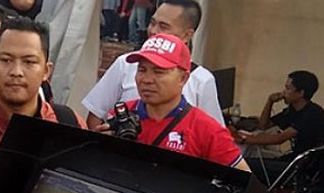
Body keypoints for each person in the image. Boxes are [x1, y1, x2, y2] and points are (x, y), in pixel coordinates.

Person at [100, 34, 250, 171]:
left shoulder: (207, 130)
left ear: (183, 78)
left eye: (158, 72)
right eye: (142, 70)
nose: (146, 79)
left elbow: (246, 185)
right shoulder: (121, 116)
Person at [0, 16, 85, 171]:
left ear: (46, 71)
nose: (16, 72)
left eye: (29, 62)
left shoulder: (68, 122)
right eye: (6, 60)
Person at [82, 0, 223, 128]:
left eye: (164, 26)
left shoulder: (202, 80)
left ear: (187, 35)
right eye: (152, 23)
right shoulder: (125, 63)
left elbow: (214, 132)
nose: (154, 31)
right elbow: (96, 113)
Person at [238, 71, 324, 179]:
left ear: (301, 93)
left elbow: (278, 139)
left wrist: (243, 139)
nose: (283, 92)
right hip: (294, 159)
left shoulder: (312, 114)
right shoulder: (293, 110)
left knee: (245, 164)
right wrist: (270, 101)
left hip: (307, 167)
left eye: (288, 88)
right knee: (255, 162)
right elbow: (263, 126)